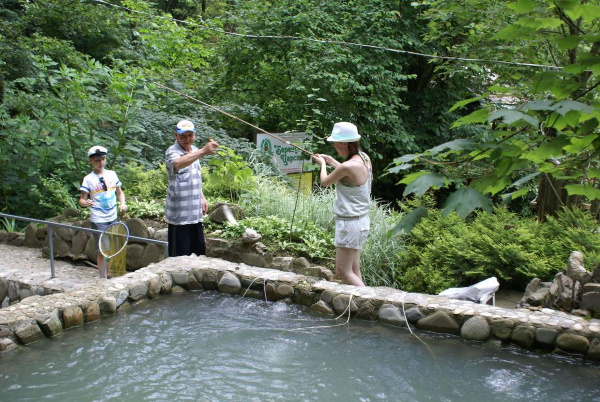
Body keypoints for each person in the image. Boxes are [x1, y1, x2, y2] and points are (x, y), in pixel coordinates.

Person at [312, 122, 372, 286]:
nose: (334, 146)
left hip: (350, 224)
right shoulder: (363, 158)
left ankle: (369, 301)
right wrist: (331, 161)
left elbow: (324, 181)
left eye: (335, 143)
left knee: (343, 272)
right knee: (354, 269)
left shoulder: (348, 166)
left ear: (345, 143)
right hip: (360, 221)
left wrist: (323, 164)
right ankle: (360, 307)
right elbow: (349, 174)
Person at [165, 119, 219, 257]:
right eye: (183, 136)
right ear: (175, 136)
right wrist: (203, 151)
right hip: (179, 216)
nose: (187, 139)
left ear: (194, 135)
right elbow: (177, 163)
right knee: (180, 257)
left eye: (190, 135)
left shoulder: (195, 150)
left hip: (195, 213)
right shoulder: (172, 152)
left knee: (198, 253)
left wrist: (202, 197)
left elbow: (194, 177)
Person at [79, 145, 127, 278]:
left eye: (103, 159)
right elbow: (82, 200)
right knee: (103, 249)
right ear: (91, 161)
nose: (101, 163)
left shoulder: (112, 174)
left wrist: (122, 204)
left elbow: (120, 193)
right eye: (97, 160)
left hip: (112, 217)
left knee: (110, 249)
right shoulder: (88, 179)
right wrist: (86, 203)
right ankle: (103, 277)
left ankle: (107, 274)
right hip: (98, 219)